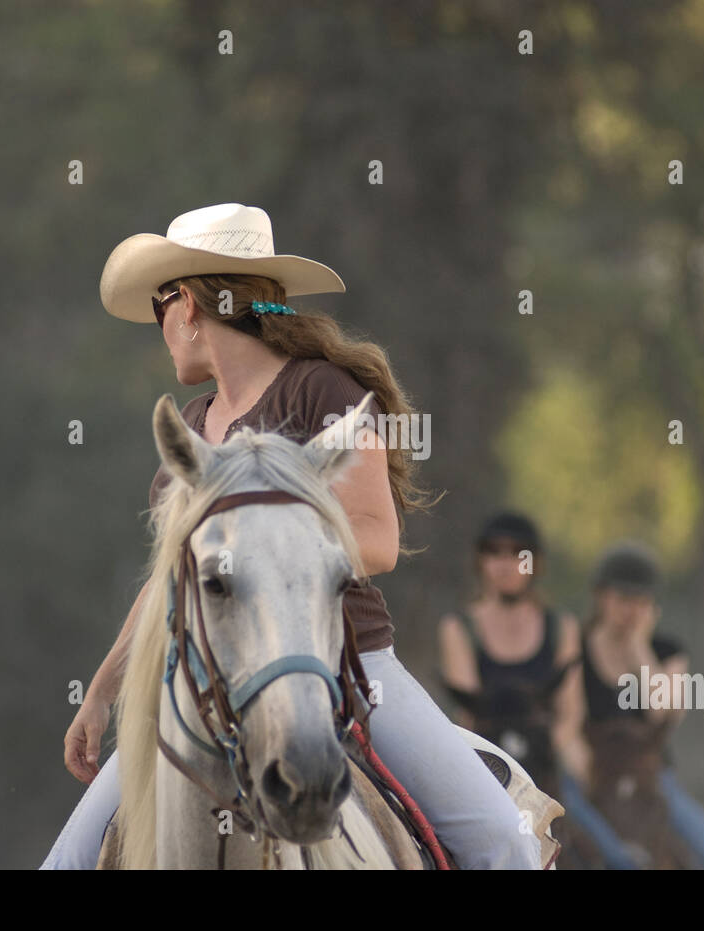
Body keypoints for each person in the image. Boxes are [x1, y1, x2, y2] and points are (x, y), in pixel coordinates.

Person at [40, 202, 540, 869]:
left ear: (186, 305)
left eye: (159, 310)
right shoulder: (190, 425)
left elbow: (379, 539)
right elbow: (173, 578)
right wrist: (102, 692)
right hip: (201, 685)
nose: (159, 331)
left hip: (349, 667)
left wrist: (261, 555)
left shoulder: (322, 390)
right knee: (66, 864)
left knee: (502, 842)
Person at [551, 541, 704, 869]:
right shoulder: (576, 646)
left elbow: (663, 713)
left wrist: (638, 647)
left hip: (650, 774)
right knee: (582, 830)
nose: (631, 610)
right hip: (590, 769)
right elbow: (568, 721)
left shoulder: (668, 651)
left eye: (641, 601)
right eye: (623, 599)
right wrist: (589, 773)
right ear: (601, 596)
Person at [437, 511, 580, 800]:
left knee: (598, 840)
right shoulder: (458, 627)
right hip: (487, 763)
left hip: (547, 762)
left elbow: (571, 713)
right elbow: (468, 715)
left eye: (518, 553)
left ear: (535, 564)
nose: (505, 564)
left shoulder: (561, 627)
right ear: (480, 561)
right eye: (494, 552)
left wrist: (539, 753)